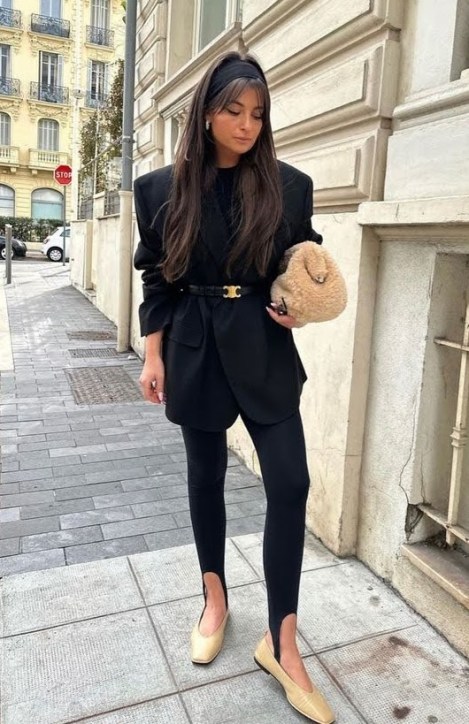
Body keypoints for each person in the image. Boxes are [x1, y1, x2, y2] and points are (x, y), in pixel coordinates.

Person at [133, 51, 335, 724]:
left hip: (263, 345)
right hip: (192, 344)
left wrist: (296, 304)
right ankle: (214, 599)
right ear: (206, 113)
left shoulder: (289, 186)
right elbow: (156, 277)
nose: (247, 125)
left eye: (257, 114)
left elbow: (300, 264)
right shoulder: (160, 190)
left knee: (291, 483)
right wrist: (152, 354)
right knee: (206, 476)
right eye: (233, 111)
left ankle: (282, 641)